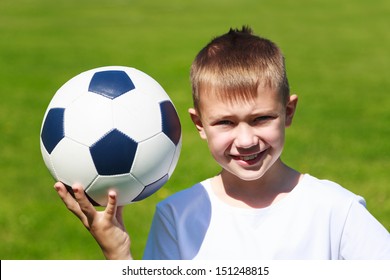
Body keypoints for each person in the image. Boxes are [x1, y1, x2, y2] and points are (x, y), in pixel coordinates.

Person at [54, 26, 390, 260]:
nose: (246, 140)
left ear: (288, 111)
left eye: (261, 119)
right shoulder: (177, 216)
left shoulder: (335, 211)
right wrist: (119, 253)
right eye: (225, 123)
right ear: (199, 124)